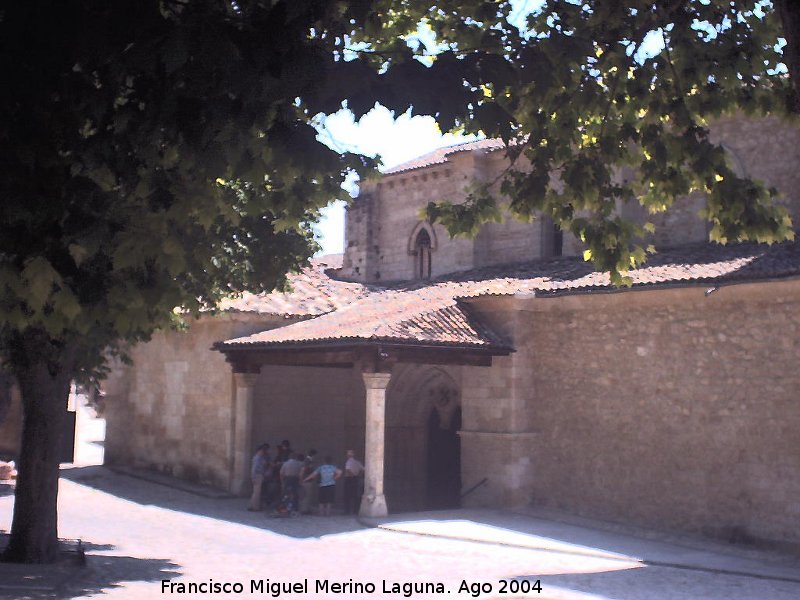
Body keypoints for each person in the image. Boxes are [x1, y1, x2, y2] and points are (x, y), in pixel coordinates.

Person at [247, 443, 269, 511]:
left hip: (259, 475)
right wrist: (253, 477)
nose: (263, 452)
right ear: (259, 451)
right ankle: (255, 507)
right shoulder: (257, 458)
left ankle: (251, 505)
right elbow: (254, 468)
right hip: (257, 475)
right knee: (257, 493)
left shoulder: (259, 458)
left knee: (255, 492)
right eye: (262, 451)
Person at [343, 449, 364, 515]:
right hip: (356, 479)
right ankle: (355, 510)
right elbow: (363, 469)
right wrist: (357, 475)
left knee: (347, 495)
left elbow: (348, 470)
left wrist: (352, 475)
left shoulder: (348, 462)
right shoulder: (357, 462)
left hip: (349, 479)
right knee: (355, 495)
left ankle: (347, 511)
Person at [299, 449, 318, 515]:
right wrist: (301, 479)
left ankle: (306, 509)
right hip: (306, 480)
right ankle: (304, 510)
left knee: (307, 495)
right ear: (313, 455)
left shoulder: (309, 460)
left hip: (307, 480)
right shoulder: (308, 461)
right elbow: (303, 470)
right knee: (306, 495)